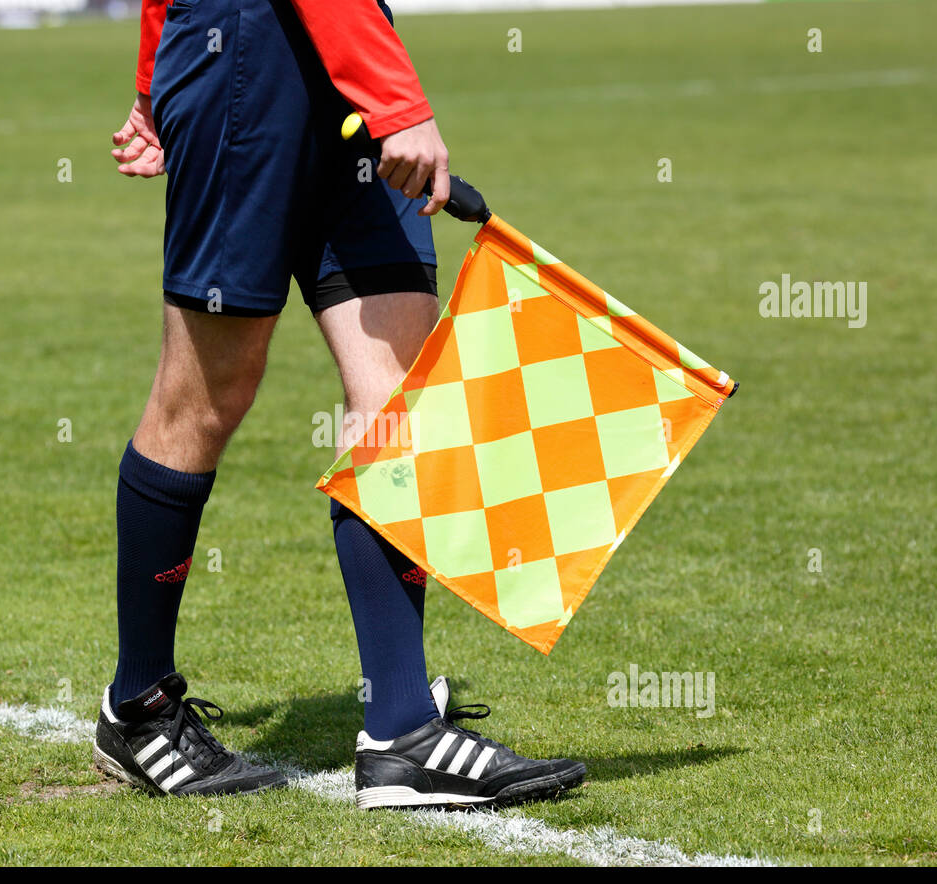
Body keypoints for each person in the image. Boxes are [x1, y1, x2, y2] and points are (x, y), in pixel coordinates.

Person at [93, 0, 586, 809]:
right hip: (242, 56)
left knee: (399, 402)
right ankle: (139, 706)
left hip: (343, 58)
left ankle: (401, 732)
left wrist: (156, 77)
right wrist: (394, 101)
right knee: (204, 400)